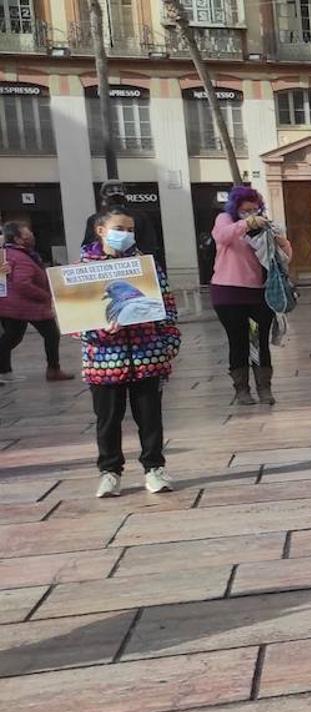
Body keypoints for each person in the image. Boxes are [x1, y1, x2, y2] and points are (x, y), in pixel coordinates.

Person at [81, 206, 181, 498]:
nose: (125, 235)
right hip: (103, 361)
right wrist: (98, 331)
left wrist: (168, 344)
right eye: (119, 228)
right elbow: (74, 320)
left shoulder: (146, 266)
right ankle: (110, 471)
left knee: (150, 417)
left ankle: (154, 467)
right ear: (101, 230)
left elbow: (168, 307)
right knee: (108, 419)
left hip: (147, 356)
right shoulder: (83, 268)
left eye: (130, 230)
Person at [211, 185, 292, 406]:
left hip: (259, 293)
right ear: (236, 208)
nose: (251, 213)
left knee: (259, 341)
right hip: (228, 293)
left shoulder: (264, 226)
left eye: (255, 210)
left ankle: (264, 387)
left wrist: (280, 240)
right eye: (246, 210)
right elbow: (222, 236)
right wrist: (246, 224)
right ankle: (242, 389)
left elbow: (285, 257)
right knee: (238, 342)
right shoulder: (225, 220)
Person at [0, 223, 73, 383]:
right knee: (51, 335)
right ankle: (53, 369)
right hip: (27, 305)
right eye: (27, 233)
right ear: (18, 239)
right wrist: (45, 295)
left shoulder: (11, 253)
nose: (31, 235)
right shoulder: (21, 256)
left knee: (11, 337)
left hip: (11, 305)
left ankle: (5, 371)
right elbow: (22, 283)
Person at [81, 180, 164, 271]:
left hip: (134, 264)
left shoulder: (140, 217)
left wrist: (144, 261)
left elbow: (149, 244)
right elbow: (88, 243)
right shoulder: (95, 219)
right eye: (111, 191)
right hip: (102, 266)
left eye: (130, 230)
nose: (116, 193)